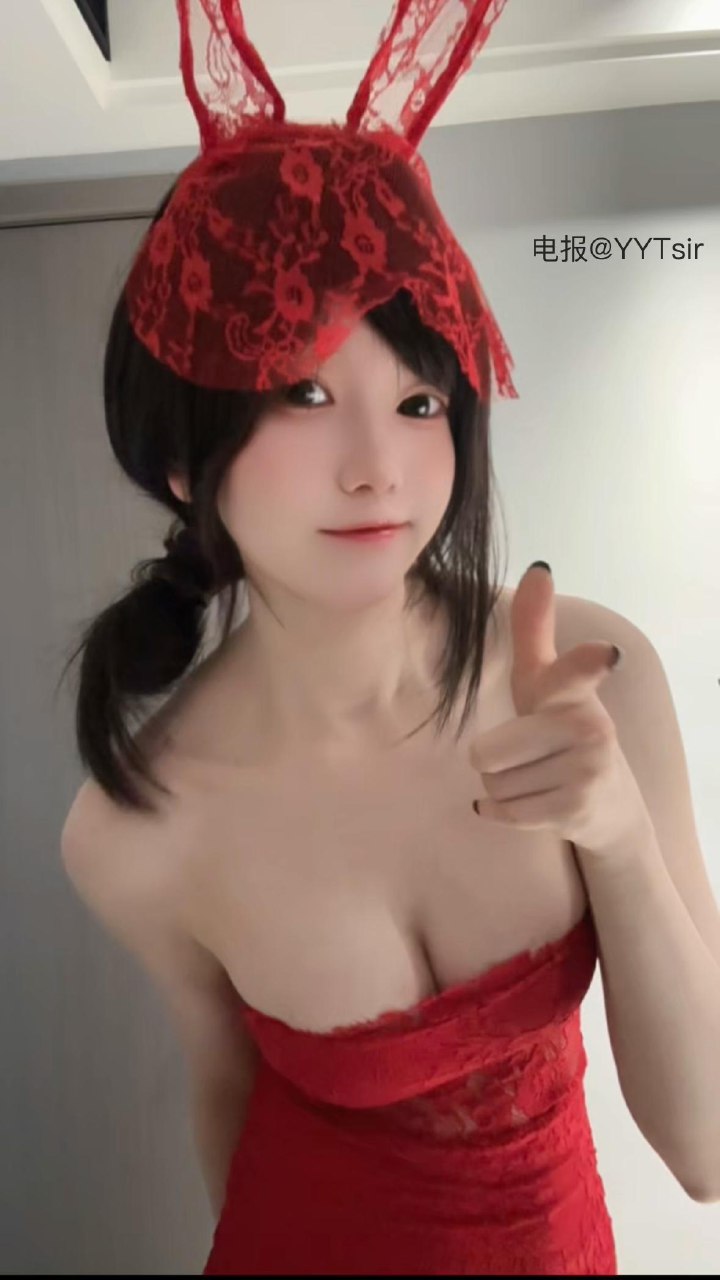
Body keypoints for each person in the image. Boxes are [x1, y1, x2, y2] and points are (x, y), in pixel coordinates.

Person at [58, 1, 620, 1272]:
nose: (379, 468)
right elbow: (227, 1100)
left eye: (419, 400)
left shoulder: (590, 674)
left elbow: (706, 1149)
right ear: (184, 457)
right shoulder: (133, 829)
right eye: (304, 390)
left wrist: (621, 824)